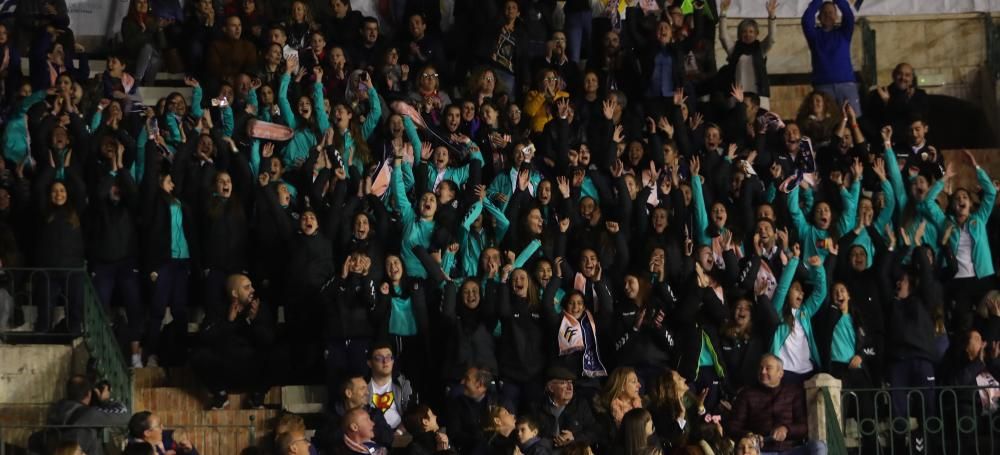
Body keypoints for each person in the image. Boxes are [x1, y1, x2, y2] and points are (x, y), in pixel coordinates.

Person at [190, 273, 277, 410]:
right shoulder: (218, 309)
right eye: (247, 287)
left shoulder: (259, 309)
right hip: (226, 368)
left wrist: (253, 321)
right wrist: (228, 321)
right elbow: (205, 337)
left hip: (251, 369)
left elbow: (268, 340)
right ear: (235, 293)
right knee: (198, 355)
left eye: (252, 287)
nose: (253, 290)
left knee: (278, 355)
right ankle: (220, 395)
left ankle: (257, 396)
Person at [726, 354, 826, 455]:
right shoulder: (746, 394)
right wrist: (749, 435)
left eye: (768, 368)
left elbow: (804, 427)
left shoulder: (793, 392)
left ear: (780, 373)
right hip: (762, 452)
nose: (763, 371)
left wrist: (787, 429)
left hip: (791, 450)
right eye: (761, 368)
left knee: (819, 446)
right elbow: (732, 427)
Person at [802, 0, 860, 116]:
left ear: (836, 16)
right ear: (818, 17)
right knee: (827, 122)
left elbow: (848, 16)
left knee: (853, 119)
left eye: (831, 13)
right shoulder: (814, 36)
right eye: (824, 13)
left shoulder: (844, 33)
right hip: (823, 86)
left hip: (847, 85)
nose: (828, 15)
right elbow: (806, 20)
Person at [530, 366, 604, 450]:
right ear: (551, 388)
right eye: (563, 383)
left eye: (571, 382)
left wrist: (574, 438)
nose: (570, 387)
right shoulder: (537, 407)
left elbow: (595, 431)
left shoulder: (580, 404)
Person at [366, 342, 413, 432]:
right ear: (369, 363)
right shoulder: (362, 386)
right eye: (379, 358)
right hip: (372, 436)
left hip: (401, 435)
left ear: (393, 361)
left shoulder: (403, 384)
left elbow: (411, 414)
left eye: (388, 357)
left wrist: (399, 432)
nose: (385, 361)